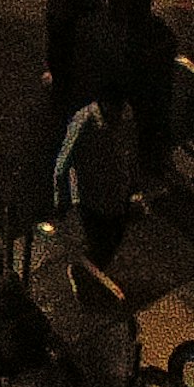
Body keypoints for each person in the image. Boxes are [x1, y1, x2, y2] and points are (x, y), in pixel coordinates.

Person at [54, 79, 139, 277]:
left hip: (118, 192)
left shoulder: (125, 115)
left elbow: (130, 151)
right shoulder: (84, 122)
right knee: (99, 240)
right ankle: (86, 274)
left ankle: (91, 272)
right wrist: (62, 201)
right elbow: (63, 164)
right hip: (93, 195)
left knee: (114, 239)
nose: (117, 114)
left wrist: (134, 186)